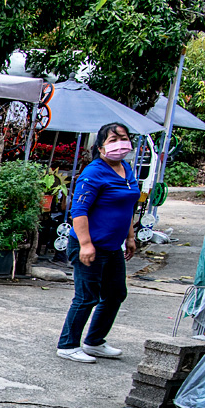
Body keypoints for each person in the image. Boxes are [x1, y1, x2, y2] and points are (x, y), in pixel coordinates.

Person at [57, 122, 140, 363]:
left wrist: (131, 236)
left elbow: (127, 207)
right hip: (89, 246)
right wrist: (85, 244)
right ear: (101, 147)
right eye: (112, 140)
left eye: (122, 138)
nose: (119, 144)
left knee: (115, 294)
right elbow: (79, 210)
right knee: (87, 296)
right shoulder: (93, 172)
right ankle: (68, 345)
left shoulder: (126, 169)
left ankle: (94, 342)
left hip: (113, 247)